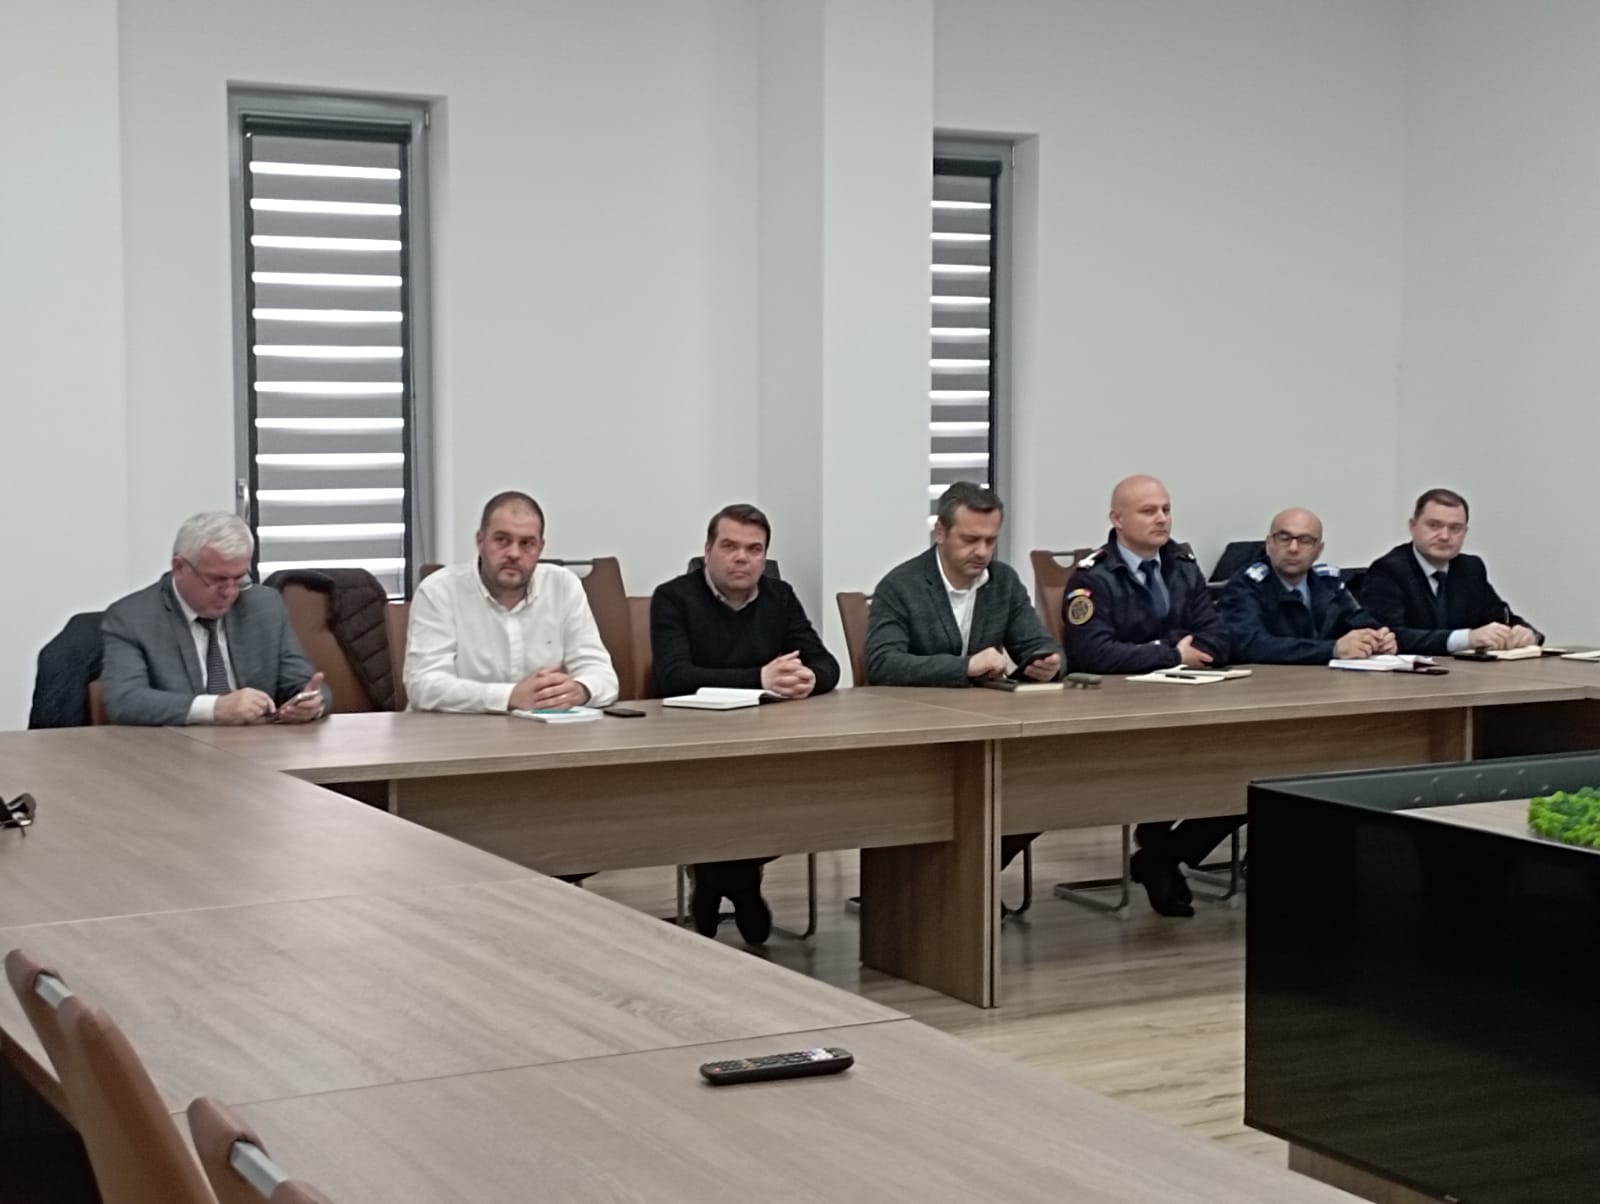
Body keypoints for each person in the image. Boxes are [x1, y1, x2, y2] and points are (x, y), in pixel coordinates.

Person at [651, 503, 840, 944]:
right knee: (722, 795)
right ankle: (741, 881)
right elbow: (674, 678)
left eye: (754, 549)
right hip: (693, 743)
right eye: (730, 546)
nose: (742, 558)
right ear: (707, 551)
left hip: (767, 743)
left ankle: (716, 877)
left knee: (796, 796)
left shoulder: (780, 596)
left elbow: (826, 662)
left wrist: (810, 679)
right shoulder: (674, 597)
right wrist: (760, 679)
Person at [1062, 475, 1238, 917]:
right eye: (1148, 511)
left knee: (1247, 770)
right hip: (1120, 711)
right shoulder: (1093, 577)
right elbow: (1092, 653)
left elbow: (1218, 637)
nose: (1161, 518)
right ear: (1117, 519)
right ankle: (1160, 853)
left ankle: (1162, 854)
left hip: (1190, 704)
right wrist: (1172, 652)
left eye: (1166, 509)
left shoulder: (1182, 565)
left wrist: (1161, 651)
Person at [865, 481, 1060, 873]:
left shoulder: (1003, 582)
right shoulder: (900, 586)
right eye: (970, 540)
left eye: (991, 540)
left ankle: (972, 881)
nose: (982, 552)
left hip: (987, 734)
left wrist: (1047, 661)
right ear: (940, 532)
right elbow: (883, 663)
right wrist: (965, 666)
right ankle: (953, 884)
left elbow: (1035, 642)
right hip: (918, 736)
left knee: (1044, 792)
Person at [101, 512, 329, 726]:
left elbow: (304, 684)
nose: (229, 592)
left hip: (256, 745)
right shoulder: (132, 617)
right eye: (216, 580)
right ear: (179, 567)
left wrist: (310, 703)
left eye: (239, 579)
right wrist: (215, 708)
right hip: (176, 748)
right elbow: (124, 700)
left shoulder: (264, 606)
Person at [404, 491, 619, 714]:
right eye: (502, 540)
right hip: (452, 732)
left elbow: (602, 675)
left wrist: (580, 690)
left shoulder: (563, 585)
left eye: (527, 543)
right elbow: (423, 685)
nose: (514, 553)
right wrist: (509, 697)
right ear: (480, 541)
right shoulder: (439, 591)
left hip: (543, 730)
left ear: (540, 548)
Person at [1361, 488, 1541, 655]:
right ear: (1413, 526)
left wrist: (1524, 633)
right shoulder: (1388, 570)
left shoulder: (1471, 568)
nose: (1445, 536)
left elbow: (1500, 618)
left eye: (1455, 528)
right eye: (1434, 525)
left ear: (1465, 532)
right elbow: (1389, 636)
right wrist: (1467, 639)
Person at [1220, 508, 1396, 664]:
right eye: (1284, 538)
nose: (1293, 548)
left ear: (1319, 550)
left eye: (1305, 541)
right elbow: (1250, 644)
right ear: (1268, 544)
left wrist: (1380, 639)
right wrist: (1332, 650)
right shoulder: (1246, 585)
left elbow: (1361, 622)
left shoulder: (1329, 582)